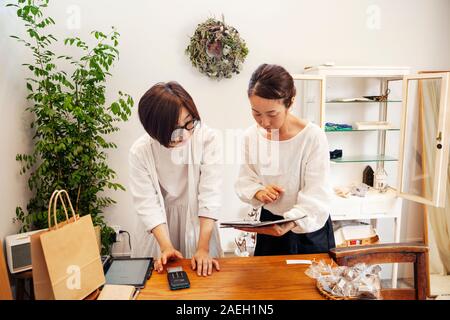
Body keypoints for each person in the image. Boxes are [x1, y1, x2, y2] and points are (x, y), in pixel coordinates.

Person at [235, 64, 336, 255]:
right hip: (271, 226)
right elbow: (245, 180)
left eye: (272, 114)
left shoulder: (312, 137)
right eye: (256, 113)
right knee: (270, 283)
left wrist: (289, 221)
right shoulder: (251, 136)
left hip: (308, 229)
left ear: (290, 102)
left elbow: (317, 194)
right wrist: (259, 192)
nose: (264, 122)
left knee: (311, 284)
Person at [129, 81, 223, 276]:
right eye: (174, 129)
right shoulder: (141, 151)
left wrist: (203, 247)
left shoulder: (207, 139)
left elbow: (210, 194)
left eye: (189, 122)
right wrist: (165, 246)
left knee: (204, 283)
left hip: (200, 223)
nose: (185, 134)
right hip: (159, 228)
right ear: (153, 129)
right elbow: (147, 203)